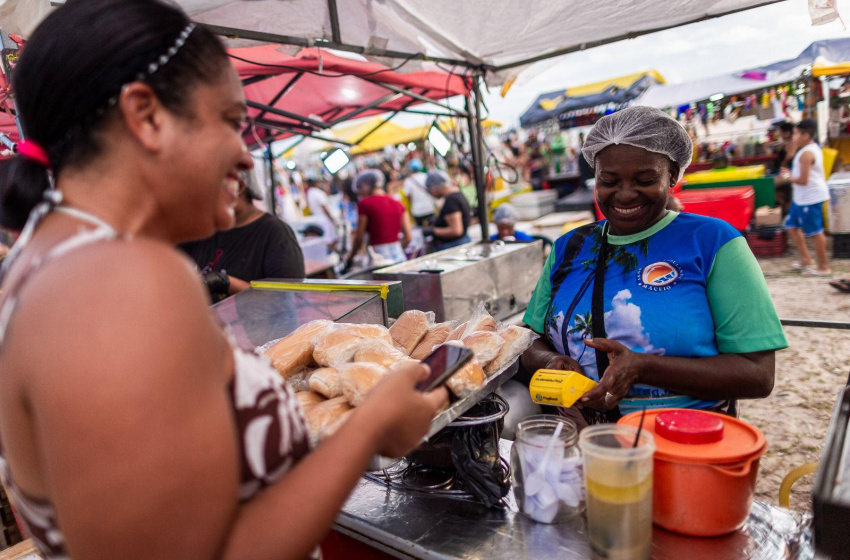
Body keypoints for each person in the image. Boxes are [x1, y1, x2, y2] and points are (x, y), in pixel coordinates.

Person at [0, 3, 447, 560]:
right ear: (147, 115)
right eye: (232, 122)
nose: (244, 152)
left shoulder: (47, 262)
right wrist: (371, 428)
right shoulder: (116, 282)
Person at [520, 106, 787, 426]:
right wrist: (550, 359)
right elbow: (527, 338)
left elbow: (758, 375)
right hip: (578, 444)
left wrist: (644, 368)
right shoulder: (570, 247)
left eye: (645, 179)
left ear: (673, 175)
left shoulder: (712, 242)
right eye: (609, 180)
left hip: (680, 442)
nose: (625, 194)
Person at [180, 171, 305, 301]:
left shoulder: (275, 233)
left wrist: (227, 283)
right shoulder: (204, 232)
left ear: (238, 186)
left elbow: (288, 300)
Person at [780, 119, 831, 276]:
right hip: (801, 197)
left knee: (815, 232)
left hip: (810, 197)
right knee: (791, 225)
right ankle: (806, 259)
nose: (793, 137)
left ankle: (823, 267)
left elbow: (803, 180)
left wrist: (788, 177)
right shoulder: (806, 149)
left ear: (806, 135)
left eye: (796, 134)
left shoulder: (807, 154)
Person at [344, 169, 411, 270]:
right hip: (400, 256)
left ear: (365, 186)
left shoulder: (365, 204)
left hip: (379, 258)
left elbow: (359, 238)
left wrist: (350, 259)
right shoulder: (397, 203)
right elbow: (408, 237)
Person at [423, 170, 472, 252]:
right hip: (459, 243)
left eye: (430, 190)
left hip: (454, 246)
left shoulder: (451, 200)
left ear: (436, 187)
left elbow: (456, 230)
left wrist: (433, 231)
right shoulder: (456, 194)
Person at [305, 178, 340, 250]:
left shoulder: (310, 192)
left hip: (318, 218)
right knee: (329, 239)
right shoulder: (318, 193)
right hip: (324, 219)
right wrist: (332, 219)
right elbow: (324, 208)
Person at [402, 158, 435, 227]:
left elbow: (407, 197)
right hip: (429, 207)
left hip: (417, 210)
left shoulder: (408, 181)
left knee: (419, 230)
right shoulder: (426, 176)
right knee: (432, 227)